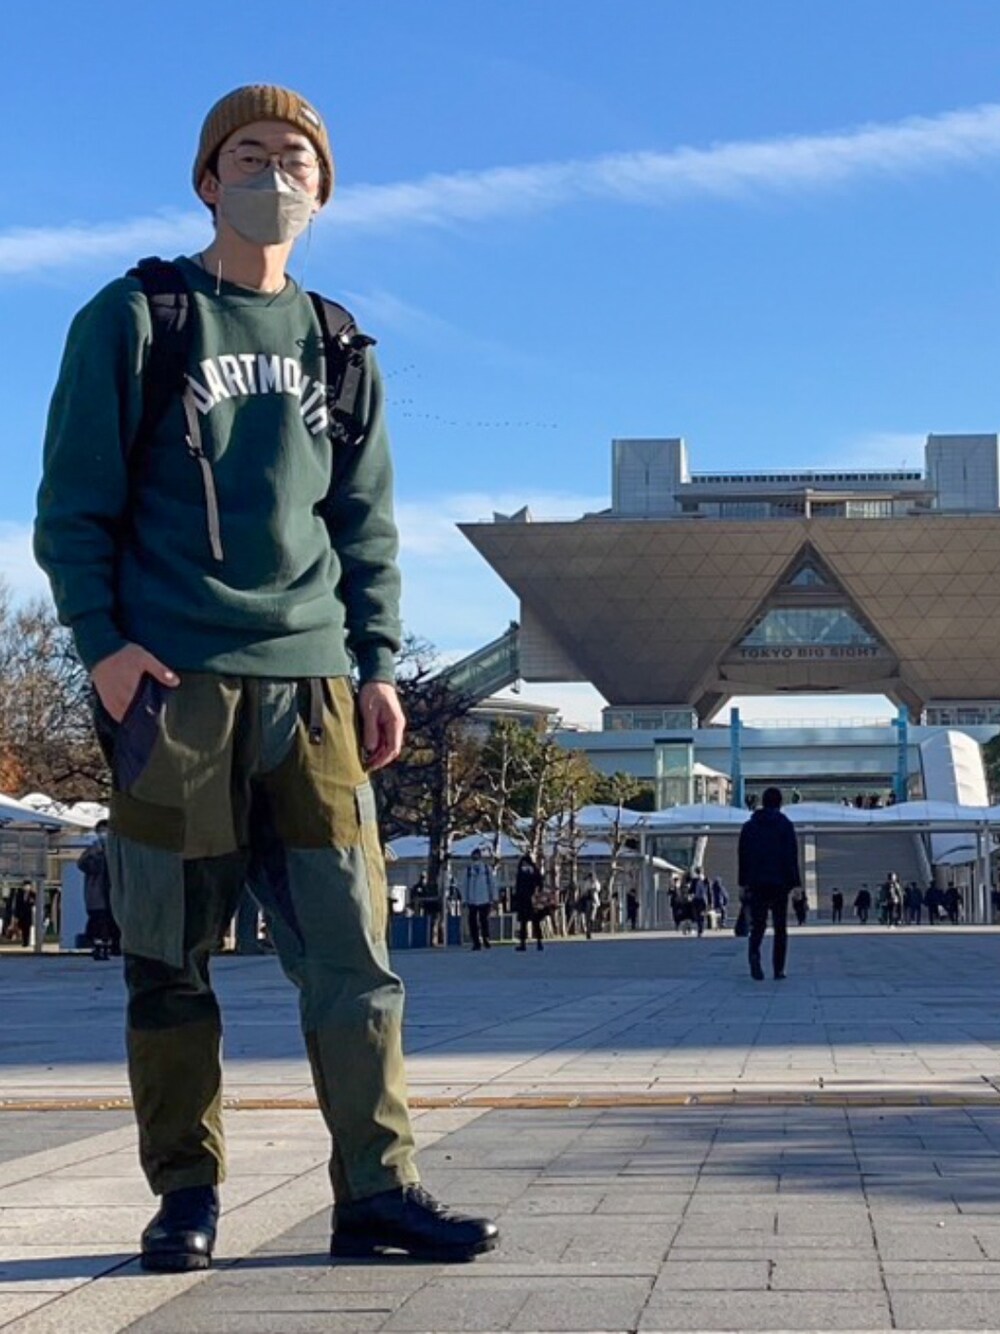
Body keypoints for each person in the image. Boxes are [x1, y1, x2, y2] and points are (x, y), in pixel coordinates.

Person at [33, 84, 497, 1273]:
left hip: (316, 692)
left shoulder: (339, 342)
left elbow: (365, 522)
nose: (274, 174)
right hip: (175, 689)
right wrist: (103, 643)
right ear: (206, 179)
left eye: (296, 158)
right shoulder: (137, 317)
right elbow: (72, 504)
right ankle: (185, 1194)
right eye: (249, 154)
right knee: (168, 959)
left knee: (354, 955)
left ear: (324, 191)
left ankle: (377, 1189)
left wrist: (378, 662)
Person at [737, 786, 801, 981]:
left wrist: (742, 883)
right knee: (780, 927)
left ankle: (754, 955)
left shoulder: (749, 826)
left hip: (756, 882)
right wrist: (796, 884)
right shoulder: (785, 825)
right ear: (780, 803)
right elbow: (791, 856)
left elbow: (743, 856)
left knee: (758, 925)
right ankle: (778, 969)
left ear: (763, 803)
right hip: (780, 882)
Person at [78, 818, 118, 960]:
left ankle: (111, 947)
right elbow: (83, 865)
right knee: (99, 922)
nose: (103, 834)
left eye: (106, 831)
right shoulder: (92, 850)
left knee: (112, 922)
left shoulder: (117, 849)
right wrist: (96, 854)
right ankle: (99, 948)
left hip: (114, 894)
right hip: (98, 895)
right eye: (101, 831)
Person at [512, 853, 545, 951]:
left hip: (527, 899)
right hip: (529, 900)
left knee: (526, 922)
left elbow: (518, 887)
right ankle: (537, 943)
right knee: (533, 922)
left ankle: (525, 943)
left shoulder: (523, 872)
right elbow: (540, 884)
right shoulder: (534, 871)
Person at [463, 849, 495, 950]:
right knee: (472, 922)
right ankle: (476, 942)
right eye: (474, 855)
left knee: (484, 920)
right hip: (472, 899)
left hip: (484, 898)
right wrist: (464, 899)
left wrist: (494, 897)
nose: (475, 857)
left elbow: (492, 883)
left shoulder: (486, 869)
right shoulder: (468, 870)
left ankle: (486, 939)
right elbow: (464, 885)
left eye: (477, 855)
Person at [579, 872, 601, 939]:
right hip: (587, 901)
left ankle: (590, 930)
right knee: (587, 917)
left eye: (593, 877)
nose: (592, 878)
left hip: (594, 901)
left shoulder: (596, 882)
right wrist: (588, 890)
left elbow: (598, 889)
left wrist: (593, 886)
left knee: (592, 917)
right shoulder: (586, 882)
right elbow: (584, 890)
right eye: (590, 877)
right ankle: (588, 932)